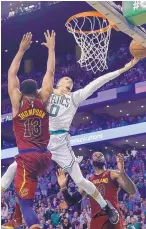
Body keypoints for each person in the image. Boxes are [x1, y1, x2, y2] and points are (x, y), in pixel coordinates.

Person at [1, 57, 139, 225]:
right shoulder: (45, 93)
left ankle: (106, 207)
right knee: (13, 167)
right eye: (66, 79)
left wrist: (123, 69)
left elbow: (97, 82)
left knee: (80, 180)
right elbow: (26, 92)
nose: (69, 81)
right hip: (41, 142)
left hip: (61, 143)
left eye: (71, 81)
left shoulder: (75, 96)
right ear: (58, 83)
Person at [2, 31, 56, 229]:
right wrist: (51, 48)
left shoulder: (17, 102)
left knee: (26, 202)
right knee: (19, 190)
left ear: (21, 92)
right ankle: (13, 223)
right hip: (44, 157)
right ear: (38, 91)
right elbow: (50, 73)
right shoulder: (44, 99)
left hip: (28, 159)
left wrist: (21, 50)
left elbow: (11, 74)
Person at [56, 152, 136, 229]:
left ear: (104, 160)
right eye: (95, 155)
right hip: (95, 220)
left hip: (112, 217)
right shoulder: (88, 181)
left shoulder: (112, 174)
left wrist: (122, 172)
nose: (98, 156)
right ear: (91, 161)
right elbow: (71, 201)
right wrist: (63, 188)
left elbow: (132, 191)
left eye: (100, 155)